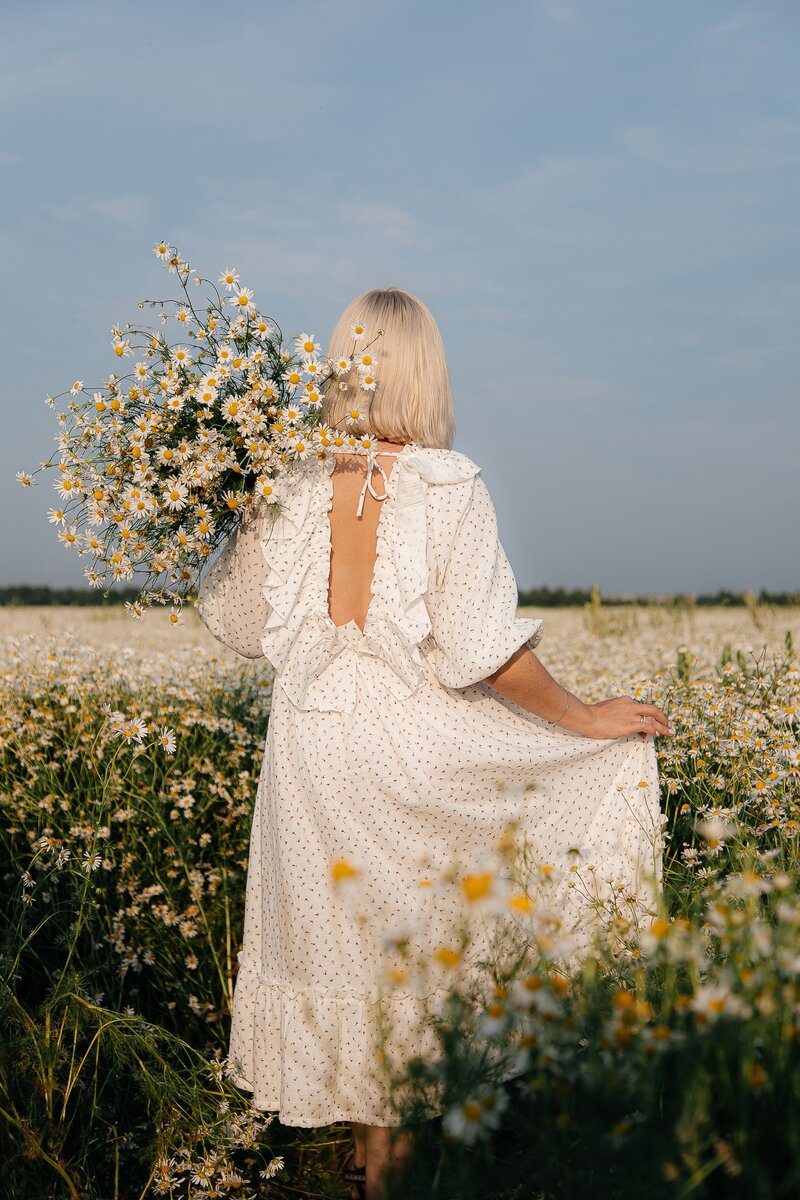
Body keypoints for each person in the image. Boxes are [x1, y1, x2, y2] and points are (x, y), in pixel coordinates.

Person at [197, 287, 673, 1200]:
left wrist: (232, 504)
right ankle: (395, 1172)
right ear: (427, 371)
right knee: (416, 959)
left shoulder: (283, 480)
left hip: (305, 758)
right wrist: (585, 719)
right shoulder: (447, 483)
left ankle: (374, 1165)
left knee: (353, 959)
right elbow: (486, 650)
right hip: (403, 755)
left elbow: (236, 621)